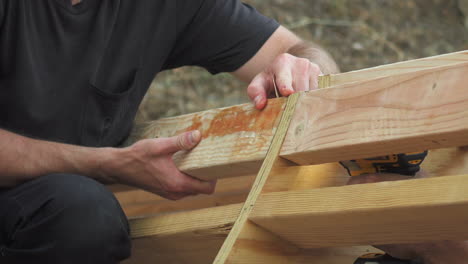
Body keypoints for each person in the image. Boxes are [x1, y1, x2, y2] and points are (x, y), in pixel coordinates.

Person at [0, 0, 463, 263]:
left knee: (85, 217)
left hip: (60, 202)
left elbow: (300, 47)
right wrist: (103, 164)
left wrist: (300, 71)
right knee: (85, 213)